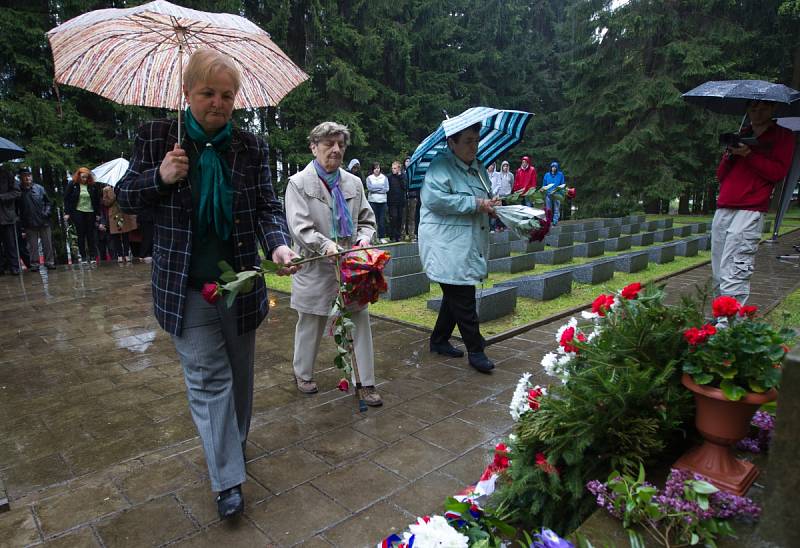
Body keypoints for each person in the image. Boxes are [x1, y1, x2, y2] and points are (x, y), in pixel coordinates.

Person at [116, 49, 299, 520]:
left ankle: (229, 451)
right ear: (187, 93)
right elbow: (126, 196)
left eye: (226, 95)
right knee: (207, 378)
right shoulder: (157, 135)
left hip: (239, 283)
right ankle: (228, 481)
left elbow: (265, 208)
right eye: (207, 94)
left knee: (240, 380)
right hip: (186, 286)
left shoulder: (250, 146)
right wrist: (161, 176)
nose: (218, 103)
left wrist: (277, 247)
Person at [284, 121, 383, 406]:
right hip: (315, 265)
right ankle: (302, 373)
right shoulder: (298, 184)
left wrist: (365, 239)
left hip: (351, 267)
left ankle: (366, 382)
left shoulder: (353, 182)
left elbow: (367, 220)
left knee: (359, 321)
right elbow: (299, 227)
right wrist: (326, 245)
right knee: (311, 321)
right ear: (314, 147)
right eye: (329, 144)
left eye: (340, 144)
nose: (336, 149)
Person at [419, 122, 499, 374]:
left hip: (468, 242)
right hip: (444, 244)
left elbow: (486, 196)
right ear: (452, 143)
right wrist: (476, 204)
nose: (473, 146)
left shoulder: (478, 168)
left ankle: (439, 340)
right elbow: (434, 199)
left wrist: (494, 204)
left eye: (476, 140)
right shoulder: (440, 167)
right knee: (462, 295)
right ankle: (477, 350)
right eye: (467, 141)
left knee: (455, 293)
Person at [712, 100, 795, 308]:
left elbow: (777, 173)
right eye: (753, 108)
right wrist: (730, 154)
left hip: (750, 208)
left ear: (773, 109)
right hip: (725, 206)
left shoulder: (782, 136)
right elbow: (721, 175)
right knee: (719, 270)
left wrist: (749, 154)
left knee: (735, 269)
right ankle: (718, 320)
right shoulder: (742, 134)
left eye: (763, 108)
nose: (757, 112)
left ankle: (729, 328)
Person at [17, 167, 56, 270]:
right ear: (20, 178)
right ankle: (34, 264)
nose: (27, 178)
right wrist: (21, 225)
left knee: (47, 243)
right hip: (29, 222)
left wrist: (46, 212)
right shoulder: (18, 191)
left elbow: (48, 202)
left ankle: (49, 262)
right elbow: (17, 209)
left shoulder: (39, 188)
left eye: (29, 175)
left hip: (44, 220)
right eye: (25, 176)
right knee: (32, 246)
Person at [64, 167, 101, 264]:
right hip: (78, 211)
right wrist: (67, 212)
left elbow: (97, 200)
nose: (84, 179)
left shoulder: (92, 186)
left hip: (90, 211)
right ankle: (83, 256)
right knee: (81, 234)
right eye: (82, 177)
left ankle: (92, 256)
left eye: (86, 177)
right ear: (78, 176)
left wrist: (98, 213)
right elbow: (66, 199)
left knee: (90, 234)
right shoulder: (72, 185)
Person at [100, 185, 136, 263]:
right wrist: (114, 196)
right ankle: (119, 255)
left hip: (124, 213)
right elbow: (106, 203)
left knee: (125, 234)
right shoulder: (106, 189)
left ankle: (126, 254)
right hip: (114, 215)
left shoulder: (122, 186)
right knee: (116, 236)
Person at [0, 167, 21, 275]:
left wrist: (2, 197)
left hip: (7, 216)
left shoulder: (7, 174)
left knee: (10, 244)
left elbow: (17, 192)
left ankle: (14, 267)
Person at [366, 162, 389, 241]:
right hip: (373, 201)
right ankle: (374, 238)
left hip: (382, 201)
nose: (377, 170)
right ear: (373, 169)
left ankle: (382, 237)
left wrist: (376, 188)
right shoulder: (369, 178)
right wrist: (380, 187)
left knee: (382, 221)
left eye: (378, 168)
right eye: (375, 168)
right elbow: (370, 188)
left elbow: (386, 189)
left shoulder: (384, 177)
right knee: (373, 220)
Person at [387, 160, 406, 242]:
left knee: (400, 218)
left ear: (399, 168)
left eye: (395, 168)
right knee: (393, 218)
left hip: (400, 201)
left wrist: (400, 177)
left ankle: (398, 236)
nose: (393, 170)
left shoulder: (403, 176)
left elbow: (405, 187)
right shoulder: (389, 177)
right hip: (392, 201)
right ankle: (392, 235)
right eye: (392, 168)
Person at [542, 161, 565, 225]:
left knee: (556, 209)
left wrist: (560, 192)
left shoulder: (560, 174)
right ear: (551, 167)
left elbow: (562, 184)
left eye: (555, 167)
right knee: (548, 209)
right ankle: (548, 221)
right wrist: (544, 191)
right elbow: (544, 185)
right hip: (548, 194)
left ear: (557, 168)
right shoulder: (547, 175)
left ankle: (555, 220)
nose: (554, 168)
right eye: (552, 167)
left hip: (557, 193)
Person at [402, 156, 418, 240]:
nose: (407, 162)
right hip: (404, 197)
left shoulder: (414, 172)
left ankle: (412, 234)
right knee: (404, 216)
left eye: (409, 161)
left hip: (413, 196)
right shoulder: (402, 173)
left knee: (412, 217)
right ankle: (403, 234)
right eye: (406, 161)